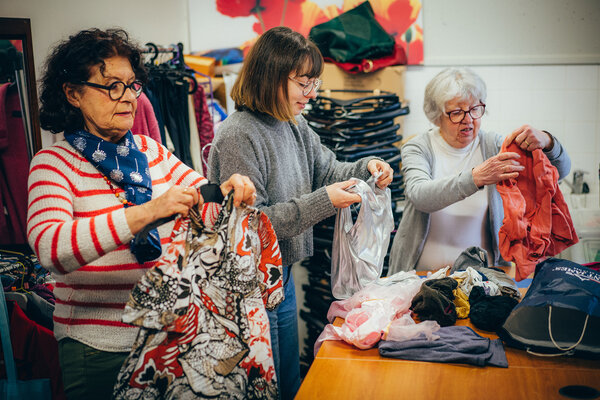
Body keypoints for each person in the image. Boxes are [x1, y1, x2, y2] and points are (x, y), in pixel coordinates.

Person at [27, 28, 256, 399]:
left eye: (132, 85)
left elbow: (204, 201)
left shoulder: (151, 151)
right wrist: (146, 213)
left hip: (170, 338)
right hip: (98, 351)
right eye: (111, 86)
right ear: (72, 94)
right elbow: (51, 250)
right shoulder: (53, 164)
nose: (129, 98)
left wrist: (228, 192)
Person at [207, 26, 394, 399]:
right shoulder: (237, 136)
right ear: (270, 76)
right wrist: (324, 200)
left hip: (282, 279)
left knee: (289, 382)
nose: (311, 94)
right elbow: (250, 224)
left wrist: (368, 167)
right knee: (267, 389)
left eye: (315, 83)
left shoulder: (293, 123)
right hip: (248, 289)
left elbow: (327, 170)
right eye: (303, 83)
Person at [388, 67, 571, 274]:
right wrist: (476, 177)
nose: (468, 119)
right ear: (437, 116)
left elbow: (558, 172)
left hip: (483, 279)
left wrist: (547, 142)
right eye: (457, 112)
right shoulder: (419, 147)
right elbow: (420, 195)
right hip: (419, 277)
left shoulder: (494, 146)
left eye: (475, 109)